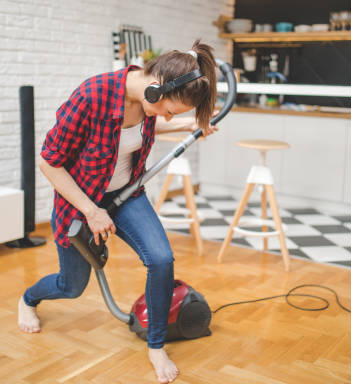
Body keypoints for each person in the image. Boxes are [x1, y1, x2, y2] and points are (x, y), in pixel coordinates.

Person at [18, 39, 218, 384]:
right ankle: (28, 299)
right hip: (80, 202)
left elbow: (143, 130)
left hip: (126, 196)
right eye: (170, 110)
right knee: (71, 286)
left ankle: (156, 346)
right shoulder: (91, 96)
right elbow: (49, 164)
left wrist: (186, 126)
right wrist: (91, 211)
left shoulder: (148, 102)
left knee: (161, 258)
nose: (167, 116)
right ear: (156, 90)